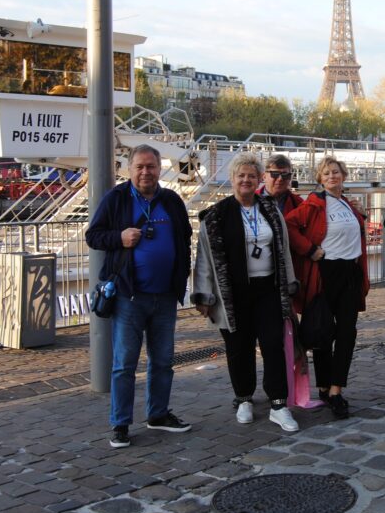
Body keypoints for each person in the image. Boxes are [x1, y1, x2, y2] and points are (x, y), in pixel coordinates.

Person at [85, 144, 193, 449]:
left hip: (165, 297)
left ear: (160, 169)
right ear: (129, 170)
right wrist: (119, 238)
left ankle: (158, 414)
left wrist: (180, 277)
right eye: (140, 167)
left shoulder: (171, 200)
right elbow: (93, 236)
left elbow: (184, 238)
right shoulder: (117, 198)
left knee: (163, 361)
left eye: (151, 166)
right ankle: (120, 423)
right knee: (125, 364)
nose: (146, 172)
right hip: (129, 297)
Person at [191, 152, 300, 432]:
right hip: (234, 293)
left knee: (273, 344)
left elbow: (283, 248)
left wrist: (289, 282)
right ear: (233, 179)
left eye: (252, 176)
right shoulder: (216, 215)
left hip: (268, 289)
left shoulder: (270, 209)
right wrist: (203, 295)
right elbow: (204, 258)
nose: (246, 180)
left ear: (259, 179)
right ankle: (243, 398)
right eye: (241, 175)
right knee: (238, 348)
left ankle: (278, 403)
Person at [286, 156, 369, 419]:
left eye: (336, 172)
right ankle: (323, 386)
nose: (332, 176)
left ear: (343, 176)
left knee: (347, 333)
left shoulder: (348, 204)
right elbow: (289, 225)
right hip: (325, 272)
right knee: (323, 331)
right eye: (326, 173)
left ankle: (336, 389)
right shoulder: (314, 203)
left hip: (350, 273)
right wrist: (309, 250)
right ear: (320, 179)